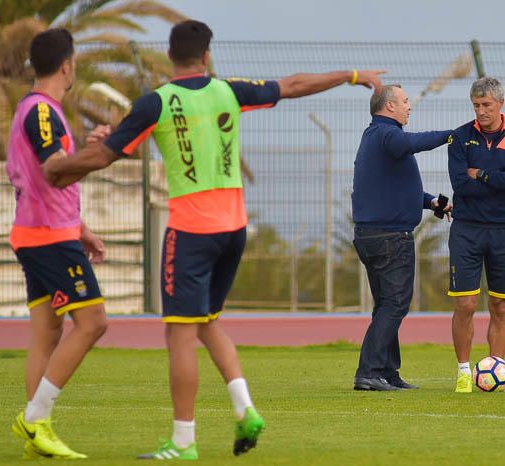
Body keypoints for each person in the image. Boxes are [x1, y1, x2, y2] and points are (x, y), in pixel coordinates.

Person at [43, 19, 384, 461]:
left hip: (191, 231)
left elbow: (102, 157)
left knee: (179, 335)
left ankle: (183, 441)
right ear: (206, 56)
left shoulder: (157, 103)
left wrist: (56, 170)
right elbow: (295, 84)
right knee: (207, 322)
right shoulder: (231, 91)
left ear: (171, 57)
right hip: (234, 228)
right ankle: (245, 410)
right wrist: (353, 76)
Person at [6, 28, 108, 459]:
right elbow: (53, 170)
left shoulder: (38, 110)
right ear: (67, 65)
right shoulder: (43, 112)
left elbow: (47, 179)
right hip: (48, 239)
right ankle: (35, 419)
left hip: (40, 232)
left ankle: (37, 434)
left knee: (47, 332)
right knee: (92, 322)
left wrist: (80, 226)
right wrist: (100, 154)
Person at [351, 84, 452, 392]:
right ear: (389, 106)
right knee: (395, 305)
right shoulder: (387, 135)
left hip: (372, 235)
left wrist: (433, 201)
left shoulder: (375, 138)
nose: (410, 106)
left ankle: (386, 372)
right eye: (405, 101)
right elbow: (413, 142)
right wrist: (453, 135)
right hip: (390, 238)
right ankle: (368, 372)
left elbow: (398, 190)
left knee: (386, 304)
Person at [448, 77, 505, 393]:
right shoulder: (459, 137)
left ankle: (497, 369)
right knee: (466, 304)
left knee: (500, 305)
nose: (481, 111)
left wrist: (482, 175)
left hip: (504, 230)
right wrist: (498, 181)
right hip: (466, 230)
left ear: (500, 103)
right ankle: (462, 372)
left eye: (486, 105)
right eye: (476, 105)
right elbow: (461, 185)